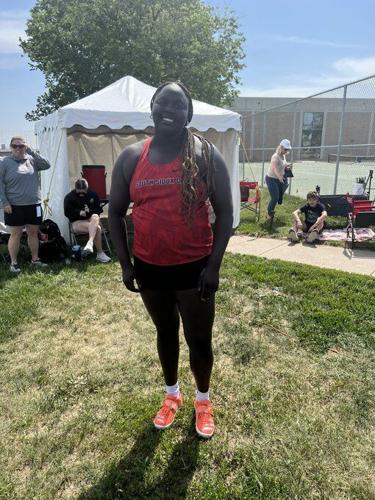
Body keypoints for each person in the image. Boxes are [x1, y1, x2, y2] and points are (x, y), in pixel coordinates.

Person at [109, 81, 233, 438]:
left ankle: (203, 401)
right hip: (150, 269)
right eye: (163, 103)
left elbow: (225, 214)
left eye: (178, 106)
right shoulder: (132, 157)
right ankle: (171, 396)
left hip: (194, 269)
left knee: (199, 340)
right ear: (152, 107)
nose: (169, 110)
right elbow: (115, 212)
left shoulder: (206, 155)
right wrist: (126, 264)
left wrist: (214, 266)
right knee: (165, 333)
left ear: (188, 114)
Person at [0, 136, 51, 273]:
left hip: (33, 204)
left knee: (33, 232)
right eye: (14, 146)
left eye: (21, 146)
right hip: (14, 205)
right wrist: (4, 203)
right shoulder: (4, 162)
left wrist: (32, 152)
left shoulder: (32, 159)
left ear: (25, 146)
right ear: (10, 147)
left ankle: (35, 260)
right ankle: (14, 263)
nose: (18, 149)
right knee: (15, 233)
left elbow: (47, 164)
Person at [63, 178, 111, 263]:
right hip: (76, 222)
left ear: (87, 188)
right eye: (79, 192)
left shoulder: (93, 194)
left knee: (95, 216)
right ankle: (100, 253)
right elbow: (67, 213)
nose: (81, 194)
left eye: (83, 192)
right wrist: (78, 212)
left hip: (91, 219)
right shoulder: (69, 197)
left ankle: (90, 242)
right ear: (75, 189)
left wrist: (90, 211)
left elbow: (99, 209)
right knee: (98, 228)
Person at [265, 138, 292, 220]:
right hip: (271, 179)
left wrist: (287, 166)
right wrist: (279, 177)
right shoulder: (275, 156)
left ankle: (277, 200)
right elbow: (274, 168)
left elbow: (283, 164)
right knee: (275, 198)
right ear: (281, 147)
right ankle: (269, 213)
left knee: (280, 193)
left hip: (279, 179)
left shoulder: (283, 156)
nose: (287, 151)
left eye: (288, 149)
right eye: (285, 149)